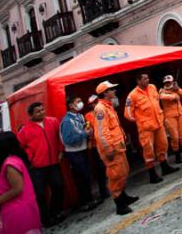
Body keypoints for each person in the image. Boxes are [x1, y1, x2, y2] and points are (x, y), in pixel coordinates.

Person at [0, 132, 41, 234]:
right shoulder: (6, 163)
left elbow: (17, 189)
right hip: (12, 213)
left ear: (0, 148)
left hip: (20, 214)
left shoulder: (10, 164)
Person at [124, 73, 179, 184]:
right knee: (148, 151)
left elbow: (157, 102)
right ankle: (152, 175)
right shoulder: (132, 95)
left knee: (163, 145)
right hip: (146, 128)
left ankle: (165, 167)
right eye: (145, 79)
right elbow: (128, 114)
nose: (147, 80)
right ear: (138, 81)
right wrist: (140, 121)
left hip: (158, 124)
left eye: (148, 78)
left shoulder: (152, 87)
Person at [17, 102, 64, 227]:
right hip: (36, 167)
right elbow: (20, 148)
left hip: (53, 162)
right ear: (31, 115)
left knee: (58, 187)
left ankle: (55, 212)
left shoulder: (53, 121)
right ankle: (46, 219)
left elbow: (60, 137)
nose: (42, 112)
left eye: (43, 109)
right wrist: (29, 161)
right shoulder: (24, 130)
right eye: (38, 111)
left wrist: (60, 151)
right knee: (40, 194)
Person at [94, 81, 138, 215]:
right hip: (111, 149)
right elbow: (101, 133)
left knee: (123, 171)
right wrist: (108, 149)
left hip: (118, 146)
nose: (114, 90)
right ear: (105, 93)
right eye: (111, 89)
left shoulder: (109, 106)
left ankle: (123, 196)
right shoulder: (100, 109)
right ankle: (119, 203)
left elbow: (115, 127)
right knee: (115, 175)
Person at [59, 96, 98, 213]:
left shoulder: (80, 116)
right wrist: (84, 134)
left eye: (81, 101)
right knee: (81, 177)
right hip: (74, 153)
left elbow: (84, 129)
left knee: (86, 175)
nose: (81, 103)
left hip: (83, 149)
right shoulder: (66, 121)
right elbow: (67, 140)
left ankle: (90, 199)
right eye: (78, 102)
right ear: (71, 105)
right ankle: (83, 202)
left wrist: (89, 132)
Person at [159, 75, 182, 164]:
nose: (168, 84)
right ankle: (177, 155)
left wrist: (178, 89)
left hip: (180, 114)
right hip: (169, 116)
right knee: (174, 137)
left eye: (169, 82)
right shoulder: (162, 91)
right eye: (166, 82)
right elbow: (162, 97)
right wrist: (173, 97)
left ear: (172, 82)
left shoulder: (176, 89)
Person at [83, 95, 110, 202]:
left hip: (107, 142)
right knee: (101, 169)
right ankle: (104, 191)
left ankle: (112, 186)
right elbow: (89, 129)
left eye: (95, 102)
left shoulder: (104, 110)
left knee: (110, 166)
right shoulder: (88, 116)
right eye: (92, 104)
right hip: (96, 145)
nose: (94, 105)